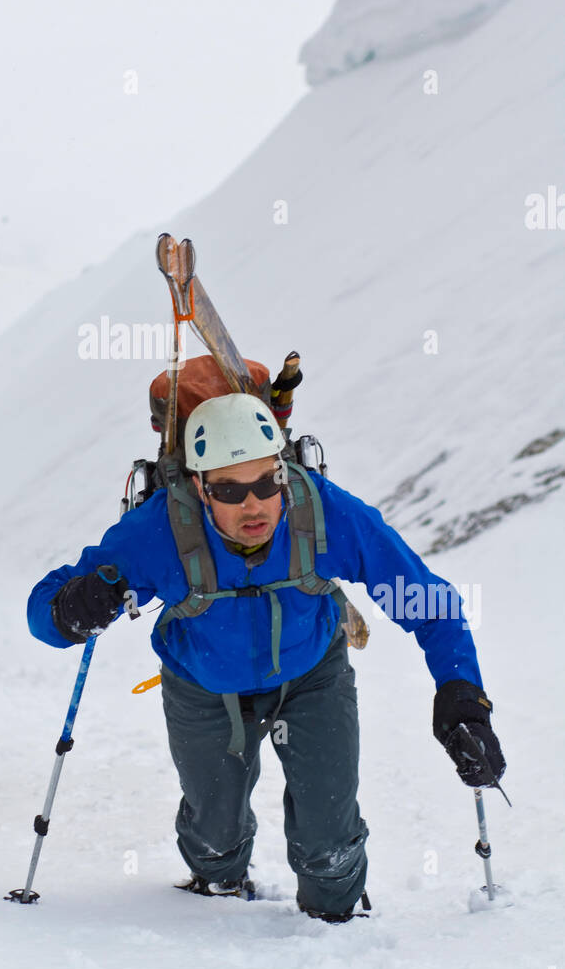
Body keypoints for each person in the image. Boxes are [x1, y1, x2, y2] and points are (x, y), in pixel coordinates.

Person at [27, 393, 505, 922]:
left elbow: (428, 602)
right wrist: (70, 610)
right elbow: (42, 614)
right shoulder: (158, 532)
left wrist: (463, 695)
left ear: (282, 472)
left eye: (265, 483)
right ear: (200, 487)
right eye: (230, 489)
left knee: (330, 837)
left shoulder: (324, 513)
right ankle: (215, 889)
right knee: (215, 838)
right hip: (204, 684)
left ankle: (335, 921)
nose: (253, 505)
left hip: (311, 677)